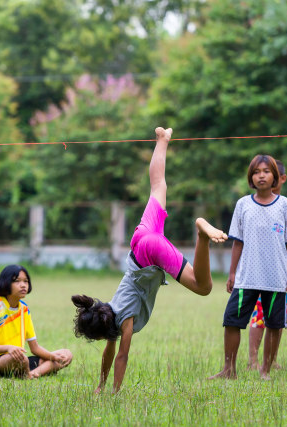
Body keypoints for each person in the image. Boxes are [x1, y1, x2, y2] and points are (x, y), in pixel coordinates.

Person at [71, 127, 228, 394]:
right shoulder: (107, 309)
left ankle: (201, 233)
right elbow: (110, 353)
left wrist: (113, 392)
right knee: (158, 186)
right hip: (140, 241)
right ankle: (162, 139)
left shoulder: (124, 321)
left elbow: (121, 356)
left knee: (203, 287)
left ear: (105, 329)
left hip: (152, 252)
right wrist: (100, 384)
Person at [209, 154, 287, 381]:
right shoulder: (243, 204)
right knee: (231, 321)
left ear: (276, 177)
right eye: (257, 172)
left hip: (276, 277)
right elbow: (237, 242)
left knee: (274, 325)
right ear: (251, 177)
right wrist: (232, 272)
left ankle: (265, 370)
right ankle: (229, 369)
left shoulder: (286, 206)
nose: (262, 175)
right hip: (246, 276)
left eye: (266, 171)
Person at [247, 160, 287, 370]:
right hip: (259, 272)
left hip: (284, 273)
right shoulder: (251, 204)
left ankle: (271, 360)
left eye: (270, 173)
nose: (265, 177)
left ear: (281, 178)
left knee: (278, 319)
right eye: (260, 172)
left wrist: (286, 229)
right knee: (258, 316)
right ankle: (253, 360)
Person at [0, 265, 72, 378]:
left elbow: (35, 348)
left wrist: (54, 357)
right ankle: (26, 373)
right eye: (17, 281)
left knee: (66, 354)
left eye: (26, 281)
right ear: (5, 283)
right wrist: (9, 348)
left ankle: (32, 374)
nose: (23, 285)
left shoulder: (24, 309)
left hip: (18, 359)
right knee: (22, 360)